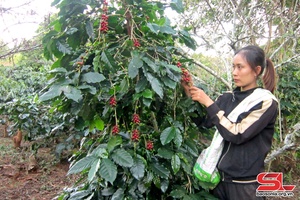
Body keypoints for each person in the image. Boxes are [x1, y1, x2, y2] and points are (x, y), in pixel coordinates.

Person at [182, 45, 278, 200]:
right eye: (233, 67)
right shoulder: (227, 98)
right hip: (220, 181)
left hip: (246, 185)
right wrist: (188, 92)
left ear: (257, 70)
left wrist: (208, 102)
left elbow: (237, 133)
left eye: (240, 67)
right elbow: (204, 122)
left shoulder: (265, 102)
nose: (235, 72)